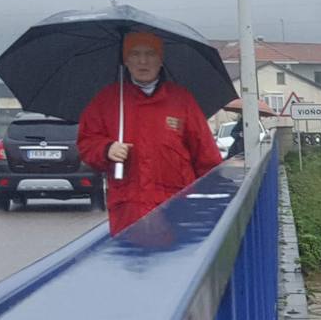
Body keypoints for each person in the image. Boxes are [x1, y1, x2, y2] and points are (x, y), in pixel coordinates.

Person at [78, 32, 223, 234]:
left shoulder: (181, 100)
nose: (143, 61)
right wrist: (106, 149)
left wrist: (215, 201)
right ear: (126, 61)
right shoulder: (107, 101)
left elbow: (206, 156)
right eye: (135, 54)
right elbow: (86, 143)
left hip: (176, 209)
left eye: (150, 54)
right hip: (128, 212)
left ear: (161, 60)